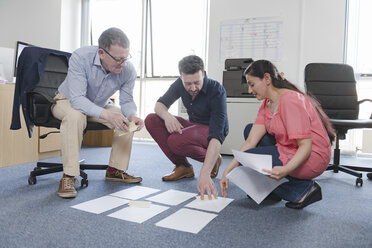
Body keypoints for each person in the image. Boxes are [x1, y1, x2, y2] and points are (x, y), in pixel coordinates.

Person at [220, 60, 335, 209]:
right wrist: (228, 170)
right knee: (249, 131)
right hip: (291, 148)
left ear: (267, 79)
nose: (250, 90)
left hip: (312, 155)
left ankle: (303, 190)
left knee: (248, 162)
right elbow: (250, 141)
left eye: (252, 84)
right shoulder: (266, 103)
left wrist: (285, 170)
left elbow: (306, 145)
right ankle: (273, 190)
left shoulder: (290, 100)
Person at [52, 27, 144, 198]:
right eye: (118, 59)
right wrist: (108, 115)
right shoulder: (80, 57)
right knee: (75, 116)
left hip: (99, 105)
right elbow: (78, 100)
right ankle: (69, 176)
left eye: (126, 58)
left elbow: (126, 101)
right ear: (101, 53)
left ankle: (115, 170)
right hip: (67, 100)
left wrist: (132, 115)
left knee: (126, 122)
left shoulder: (127, 69)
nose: (123, 64)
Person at [145, 55, 229, 200]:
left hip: (212, 130)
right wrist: (167, 116)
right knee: (151, 119)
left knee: (176, 140)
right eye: (188, 84)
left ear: (203, 73)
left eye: (197, 82)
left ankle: (213, 159)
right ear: (181, 77)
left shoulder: (217, 90)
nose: (193, 88)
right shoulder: (180, 83)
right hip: (193, 126)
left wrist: (205, 172)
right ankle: (183, 167)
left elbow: (217, 134)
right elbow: (160, 104)